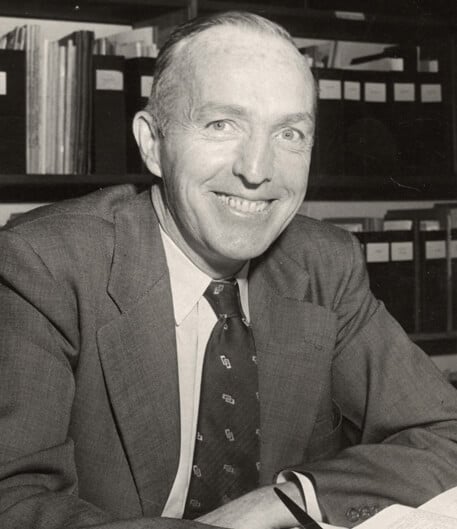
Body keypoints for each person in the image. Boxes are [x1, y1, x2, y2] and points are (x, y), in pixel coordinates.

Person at [0, 10, 457, 529]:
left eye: (289, 134)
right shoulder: (46, 263)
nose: (257, 171)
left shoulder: (324, 265)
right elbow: (14, 502)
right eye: (221, 124)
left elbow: (446, 431)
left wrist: (285, 500)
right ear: (153, 142)